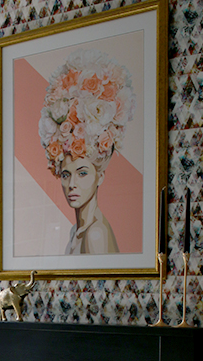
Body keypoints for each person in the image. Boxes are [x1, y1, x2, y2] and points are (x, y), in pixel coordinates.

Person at [38, 49, 135, 255]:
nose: (72, 184)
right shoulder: (77, 231)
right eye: (66, 174)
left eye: (82, 173)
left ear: (100, 176)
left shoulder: (95, 233)